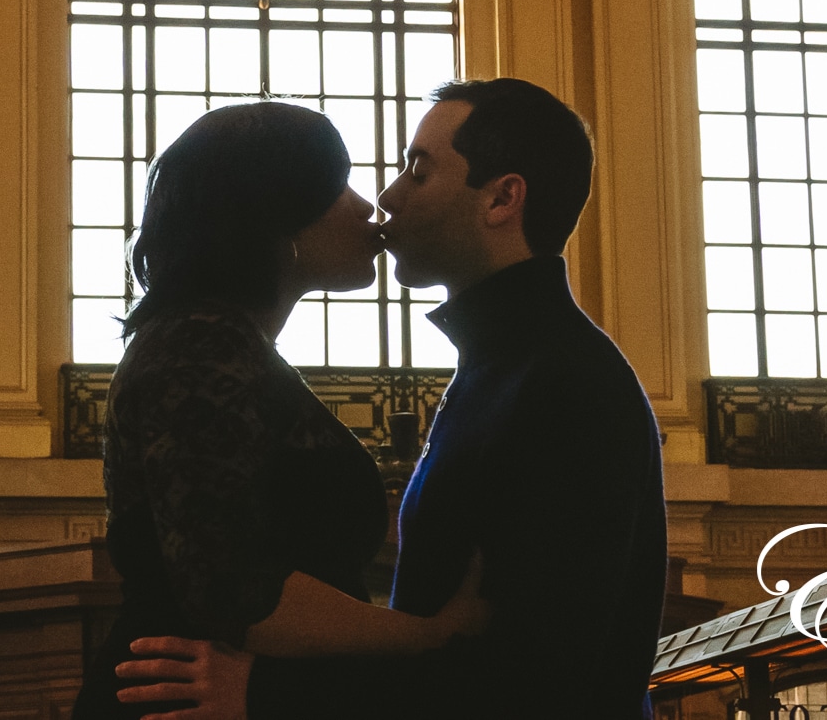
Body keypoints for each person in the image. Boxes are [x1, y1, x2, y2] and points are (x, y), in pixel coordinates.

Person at [113, 78, 669, 719]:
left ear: (502, 198)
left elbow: (538, 670)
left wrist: (273, 695)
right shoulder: (510, 368)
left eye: (418, 169)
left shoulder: (563, 383)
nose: (383, 198)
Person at [72, 100, 490, 719]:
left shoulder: (217, 344)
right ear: (277, 220)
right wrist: (427, 635)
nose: (365, 207)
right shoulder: (197, 348)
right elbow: (233, 589)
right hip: (182, 698)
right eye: (336, 187)